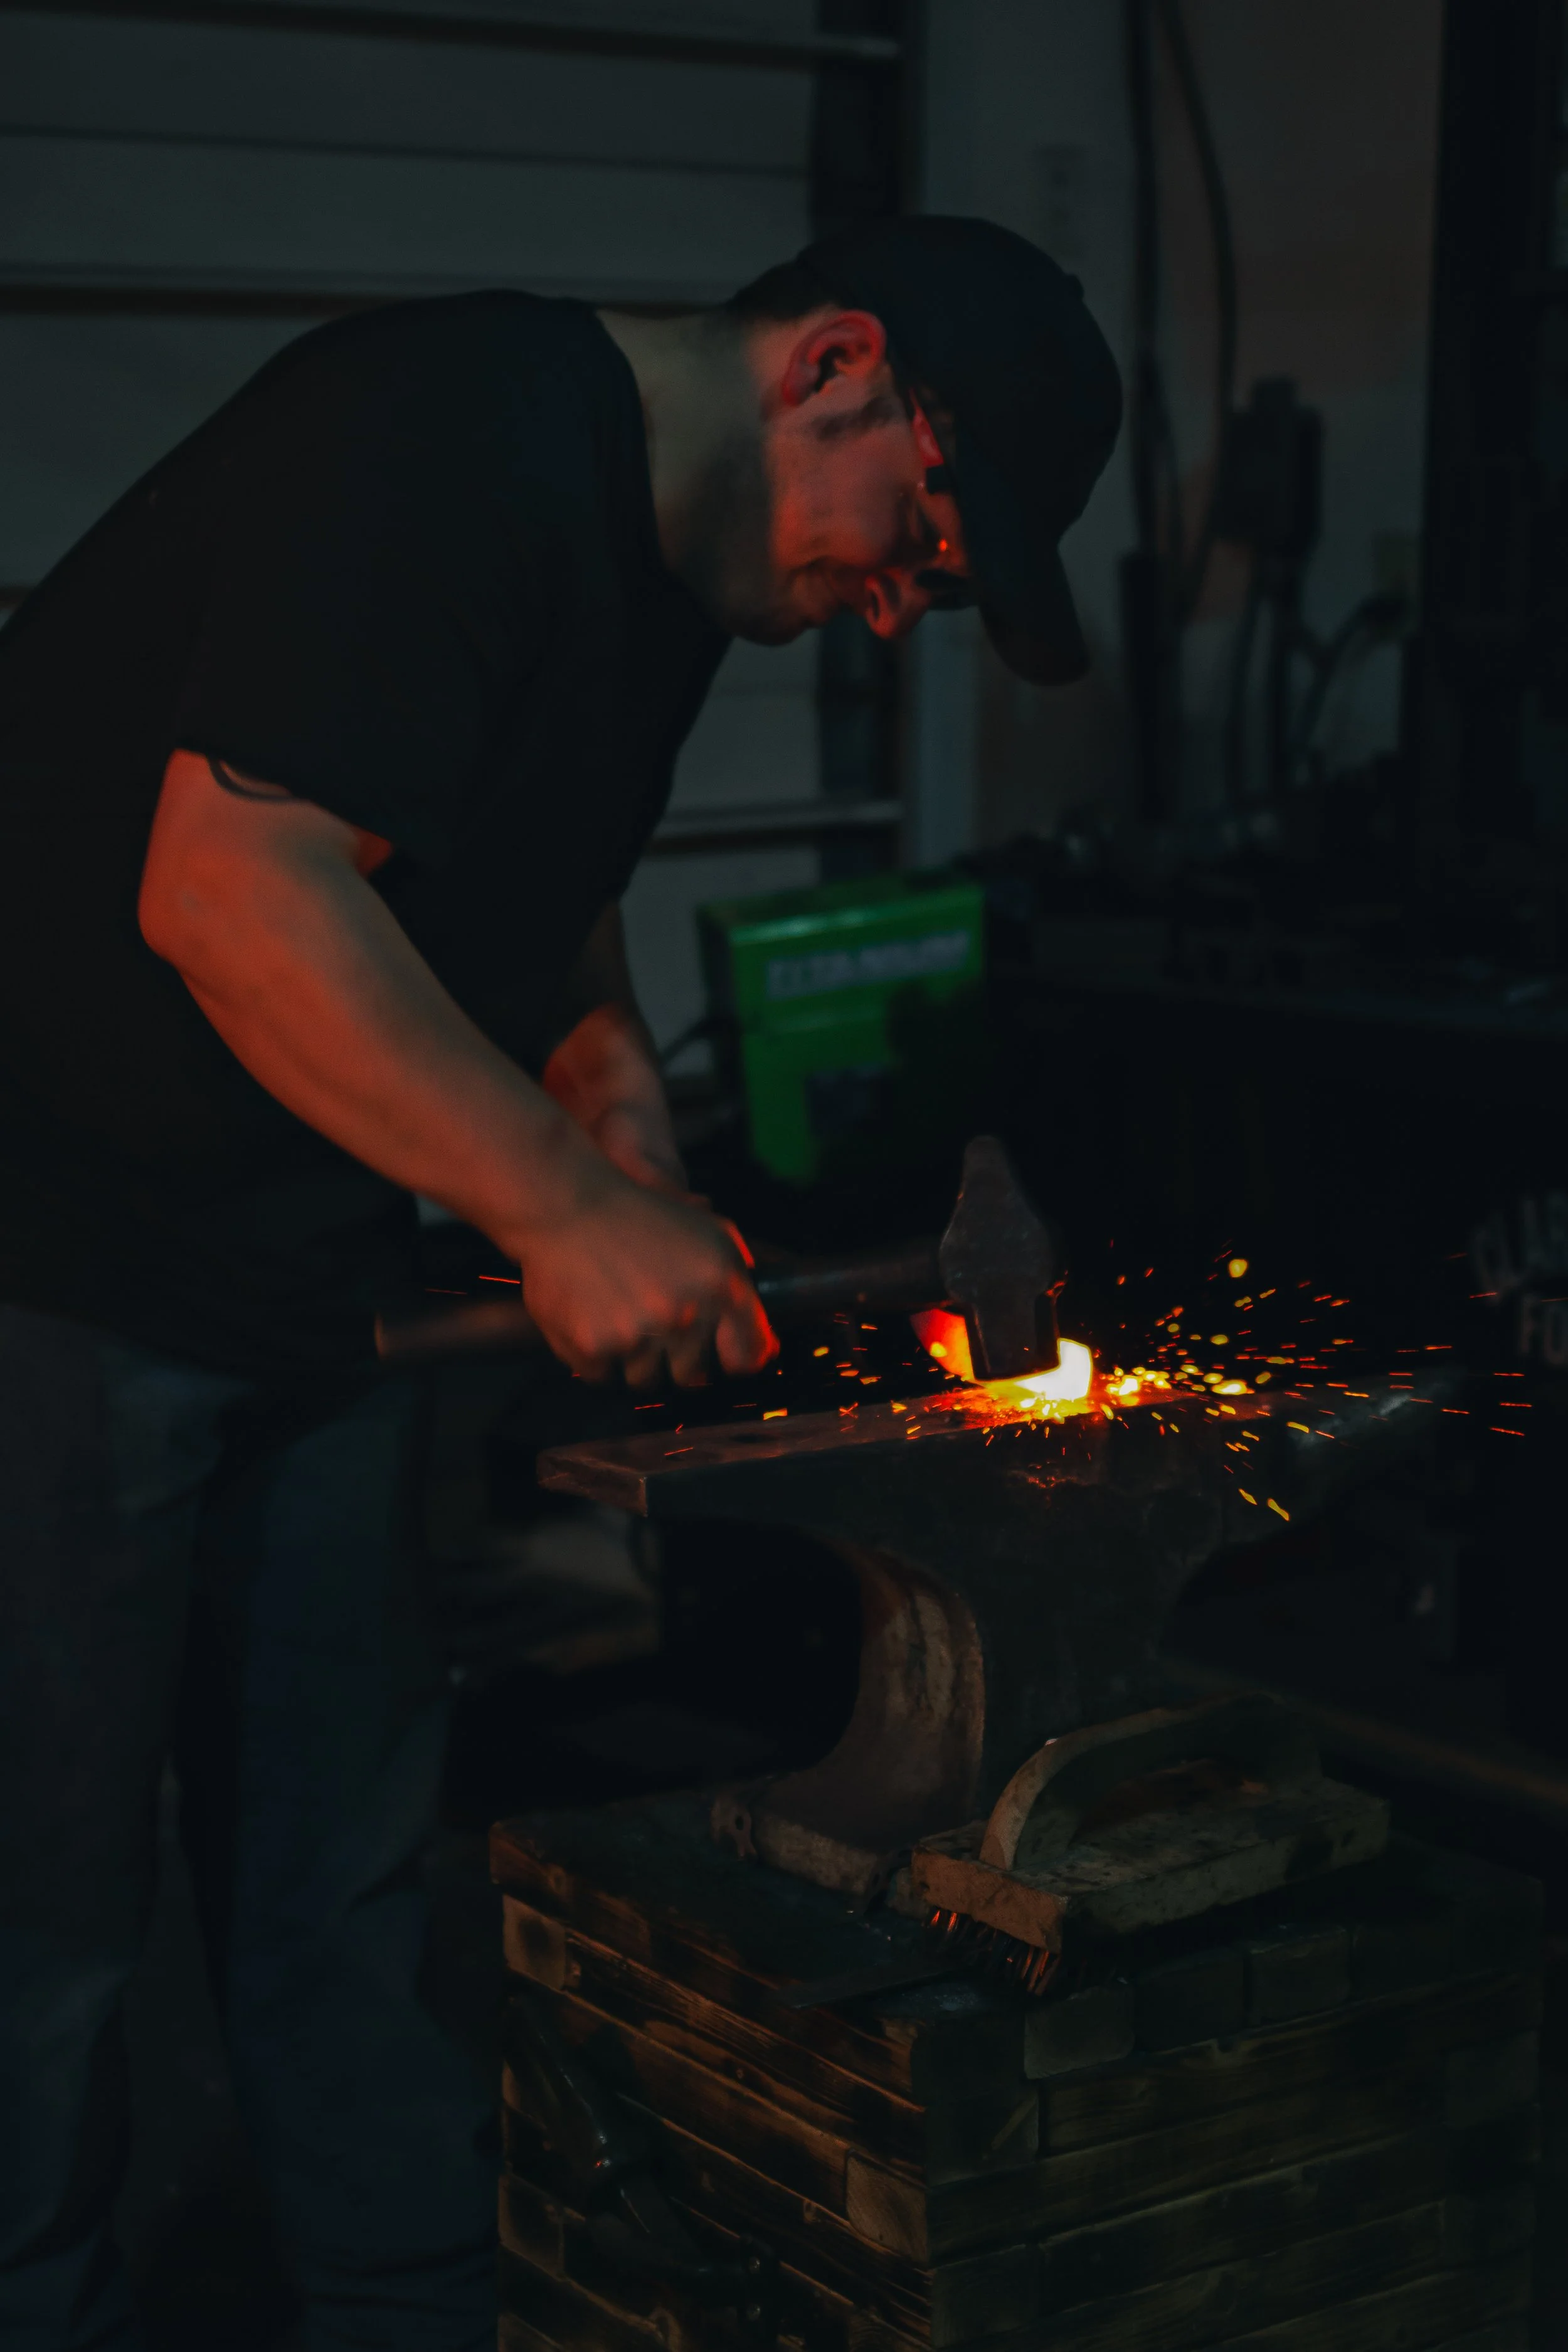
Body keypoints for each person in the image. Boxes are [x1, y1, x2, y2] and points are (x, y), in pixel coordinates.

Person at [0, 215, 1119, 2349]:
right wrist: (551, 1210)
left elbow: (524, 870)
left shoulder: (683, 572)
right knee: (38, 1927)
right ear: (838, 372)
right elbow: (231, 891)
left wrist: (605, 1108)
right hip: (40, 1248)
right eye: (926, 537)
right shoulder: (438, 436)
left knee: (335, 1885)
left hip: (305, 1261)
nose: (896, 604)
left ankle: (410, 2309)